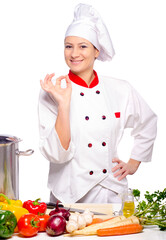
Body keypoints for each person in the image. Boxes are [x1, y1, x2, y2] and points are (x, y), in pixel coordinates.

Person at [38, 3, 157, 203]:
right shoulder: (53, 91)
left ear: (96, 51)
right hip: (68, 197)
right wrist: (64, 105)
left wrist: (134, 163)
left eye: (83, 46)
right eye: (69, 46)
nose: (74, 54)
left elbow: (148, 122)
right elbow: (57, 155)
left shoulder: (120, 89)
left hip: (110, 192)